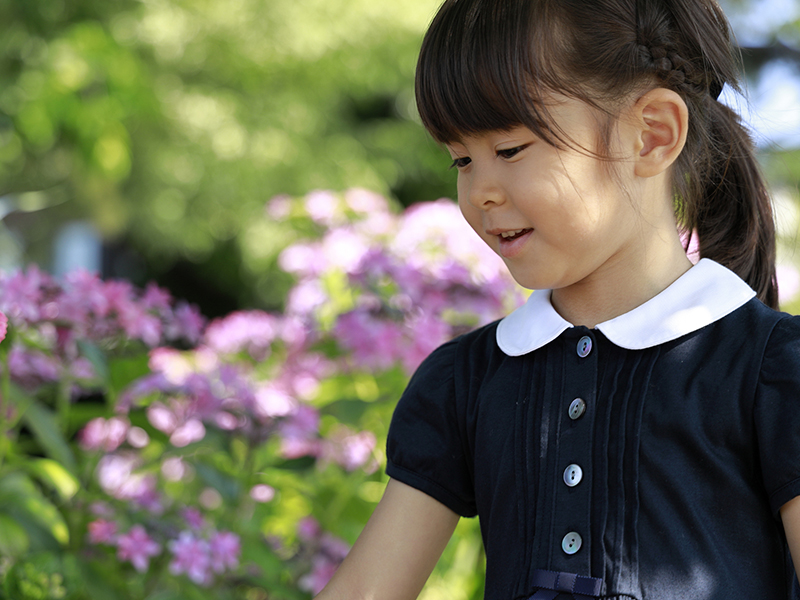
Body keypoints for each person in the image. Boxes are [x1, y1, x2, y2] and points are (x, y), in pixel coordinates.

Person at [316, 0, 800, 598]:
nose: (481, 192)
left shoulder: (773, 372)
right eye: (461, 160)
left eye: (511, 150)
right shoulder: (465, 382)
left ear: (652, 135)